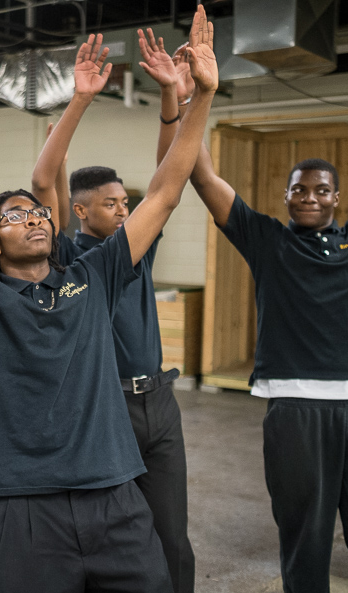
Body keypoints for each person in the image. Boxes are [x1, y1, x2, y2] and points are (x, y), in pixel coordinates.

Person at [0, 11, 217, 591]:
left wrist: (201, 98)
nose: (35, 218)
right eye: (15, 215)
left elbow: (166, 191)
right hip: (26, 512)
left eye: (38, 211)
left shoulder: (93, 276)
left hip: (117, 499)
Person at [163, 26, 348, 593]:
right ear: (286, 196)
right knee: (305, 530)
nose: (310, 197)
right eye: (300, 190)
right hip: (295, 408)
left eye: (321, 190)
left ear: (336, 198)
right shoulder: (267, 238)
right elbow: (202, 175)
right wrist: (197, 96)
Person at [28, 24, 204, 593]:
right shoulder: (67, 259)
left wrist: (174, 96)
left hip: (157, 399)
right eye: (111, 204)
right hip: (103, 408)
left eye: (126, 203)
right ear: (81, 213)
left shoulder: (136, 246)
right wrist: (75, 109)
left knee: (173, 536)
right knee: (120, 536)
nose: (125, 211)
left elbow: (164, 182)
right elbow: (40, 181)